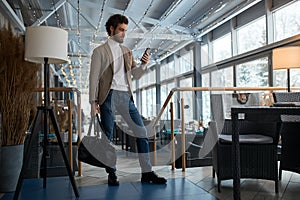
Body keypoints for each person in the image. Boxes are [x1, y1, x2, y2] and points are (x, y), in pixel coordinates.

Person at [89, 14, 167, 186]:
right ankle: (112, 173)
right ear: (112, 29)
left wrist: (144, 64)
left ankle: (147, 173)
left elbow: (136, 75)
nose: (124, 34)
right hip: (108, 96)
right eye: (121, 30)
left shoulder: (127, 52)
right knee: (108, 137)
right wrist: (93, 101)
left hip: (126, 96)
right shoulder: (99, 52)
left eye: (125, 30)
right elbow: (93, 78)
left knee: (141, 133)